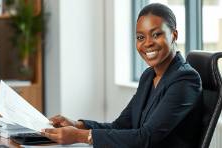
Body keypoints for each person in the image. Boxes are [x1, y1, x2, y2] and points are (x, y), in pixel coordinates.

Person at [41, 3, 202, 148]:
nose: (147, 43)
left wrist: (81, 136)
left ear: (174, 35)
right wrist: (78, 125)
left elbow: (146, 137)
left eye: (156, 34)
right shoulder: (148, 76)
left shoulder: (186, 80)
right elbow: (121, 125)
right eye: (140, 37)